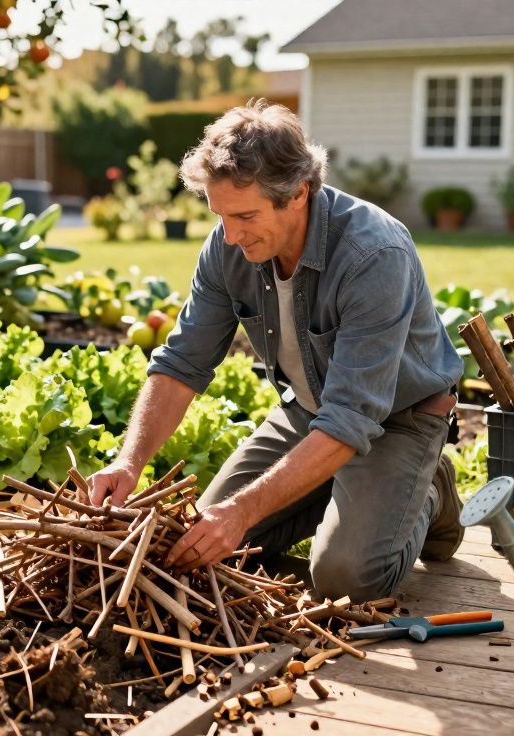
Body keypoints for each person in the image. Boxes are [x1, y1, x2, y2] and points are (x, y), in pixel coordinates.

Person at [87, 99, 465, 601]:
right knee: (200, 546)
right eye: (220, 215)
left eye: (245, 216)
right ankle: (341, 488)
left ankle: (429, 490)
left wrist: (245, 510)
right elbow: (181, 363)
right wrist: (128, 461)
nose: (230, 235)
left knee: (346, 579)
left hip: (399, 418)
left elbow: (352, 417)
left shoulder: (374, 255)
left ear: (298, 192)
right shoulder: (228, 246)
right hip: (311, 412)